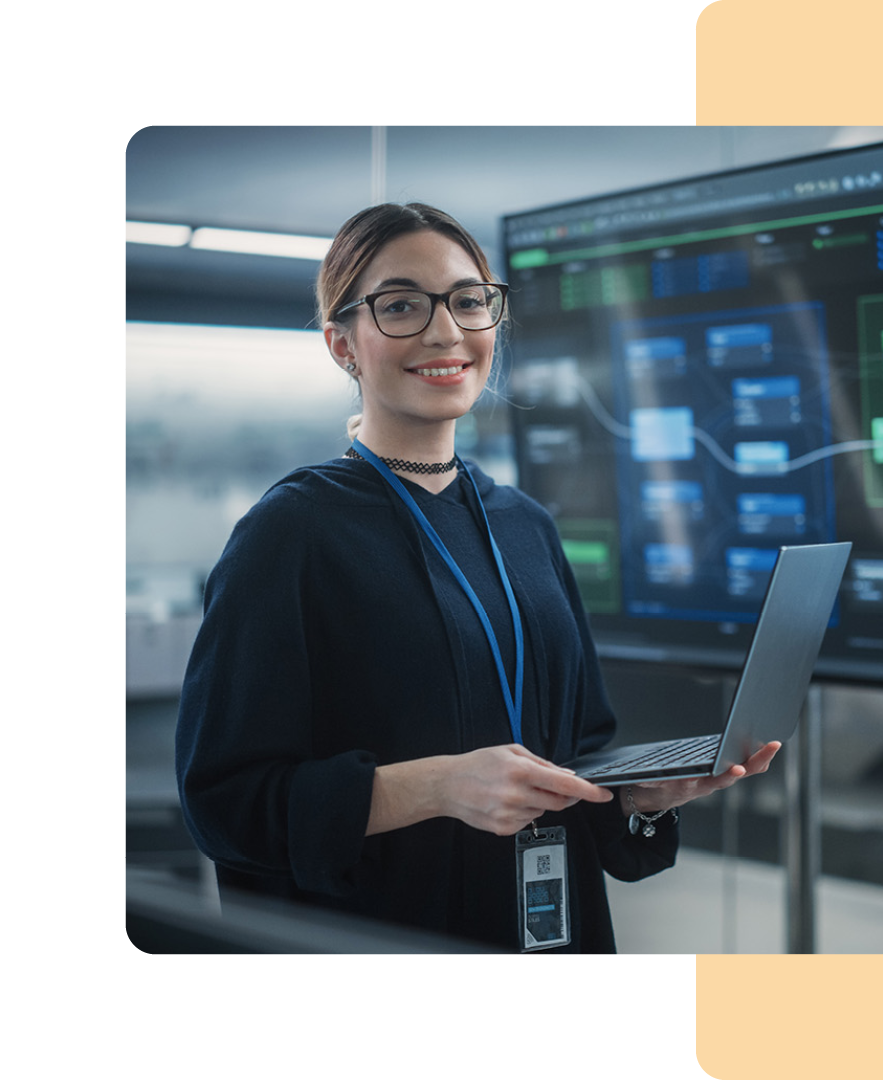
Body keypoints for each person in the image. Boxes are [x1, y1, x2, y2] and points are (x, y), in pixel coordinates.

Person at [175, 202, 779, 954]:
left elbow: (580, 750)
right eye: (400, 306)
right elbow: (225, 806)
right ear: (342, 345)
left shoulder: (526, 525)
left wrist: (636, 797)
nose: (444, 331)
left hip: (552, 927)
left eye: (468, 300)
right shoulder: (290, 534)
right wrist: (432, 787)